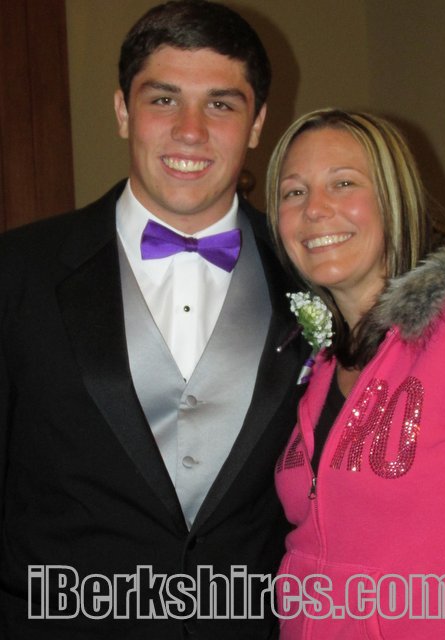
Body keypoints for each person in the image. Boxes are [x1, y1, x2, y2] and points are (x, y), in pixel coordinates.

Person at [0, 2, 309, 638]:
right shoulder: (17, 271)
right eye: (164, 100)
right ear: (123, 111)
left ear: (257, 124)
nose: (190, 131)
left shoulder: (313, 277)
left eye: (221, 104)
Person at [267, 107, 445, 638]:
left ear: (394, 198)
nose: (315, 209)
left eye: (343, 183)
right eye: (294, 192)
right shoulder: (322, 360)